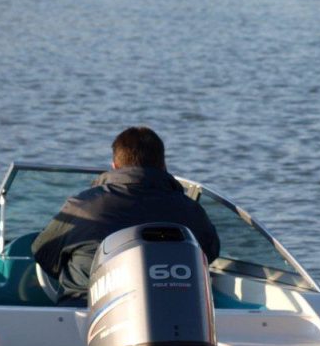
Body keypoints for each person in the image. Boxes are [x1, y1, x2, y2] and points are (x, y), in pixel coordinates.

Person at [32, 126, 219, 304]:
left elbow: (43, 253)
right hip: (172, 311)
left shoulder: (82, 206)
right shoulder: (190, 211)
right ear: (163, 165)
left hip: (83, 314)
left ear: (114, 166)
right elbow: (209, 254)